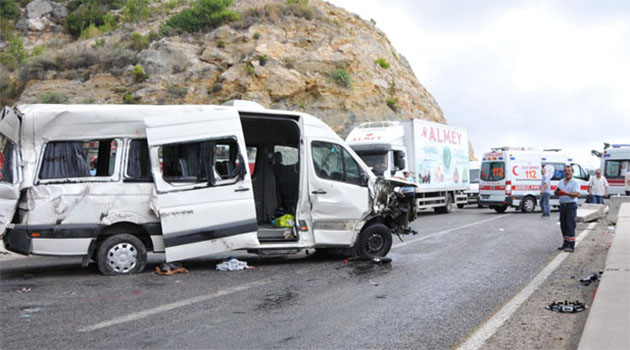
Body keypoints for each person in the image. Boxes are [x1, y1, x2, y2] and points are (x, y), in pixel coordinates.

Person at [555, 164, 580, 252]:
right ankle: (565, 243)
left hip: (571, 205)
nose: (567, 172)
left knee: (570, 225)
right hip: (563, 205)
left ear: (572, 172)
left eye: (569, 171)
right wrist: (557, 193)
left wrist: (565, 193)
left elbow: (577, 194)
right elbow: (557, 191)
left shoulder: (575, 182)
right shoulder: (561, 182)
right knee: (563, 225)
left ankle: (571, 245)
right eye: (565, 171)